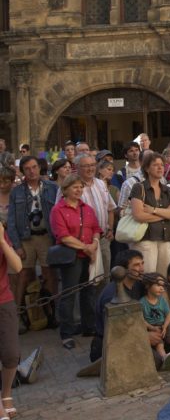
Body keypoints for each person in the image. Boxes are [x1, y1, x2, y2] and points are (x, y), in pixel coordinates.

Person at [50, 174, 102, 349]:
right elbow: (63, 236)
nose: (79, 190)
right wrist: (85, 247)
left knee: (88, 293)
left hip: (88, 255)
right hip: (71, 257)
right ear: (65, 190)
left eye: (81, 187)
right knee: (69, 294)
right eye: (75, 187)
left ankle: (89, 326)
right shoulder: (58, 210)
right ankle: (66, 333)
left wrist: (94, 244)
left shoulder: (86, 208)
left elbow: (96, 228)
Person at [7, 155, 59, 328]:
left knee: (49, 274)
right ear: (23, 171)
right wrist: (17, 245)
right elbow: (12, 221)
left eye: (34, 167)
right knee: (22, 275)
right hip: (26, 238)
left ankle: (52, 313)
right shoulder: (17, 192)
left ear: (39, 167)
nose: (32, 171)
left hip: (46, 236)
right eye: (27, 168)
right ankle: (19, 314)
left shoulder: (52, 187)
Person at [129, 153, 170, 275]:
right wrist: (165, 213)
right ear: (147, 168)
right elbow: (138, 216)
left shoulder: (168, 190)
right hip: (146, 239)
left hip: (166, 238)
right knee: (147, 275)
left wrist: (154, 210)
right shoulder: (139, 188)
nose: (160, 168)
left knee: (165, 277)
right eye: (155, 165)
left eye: (162, 165)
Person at [0, 219, 22, 420]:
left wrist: (1, 240)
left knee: (11, 354)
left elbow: (16, 266)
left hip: (3, 300)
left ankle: (6, 394)